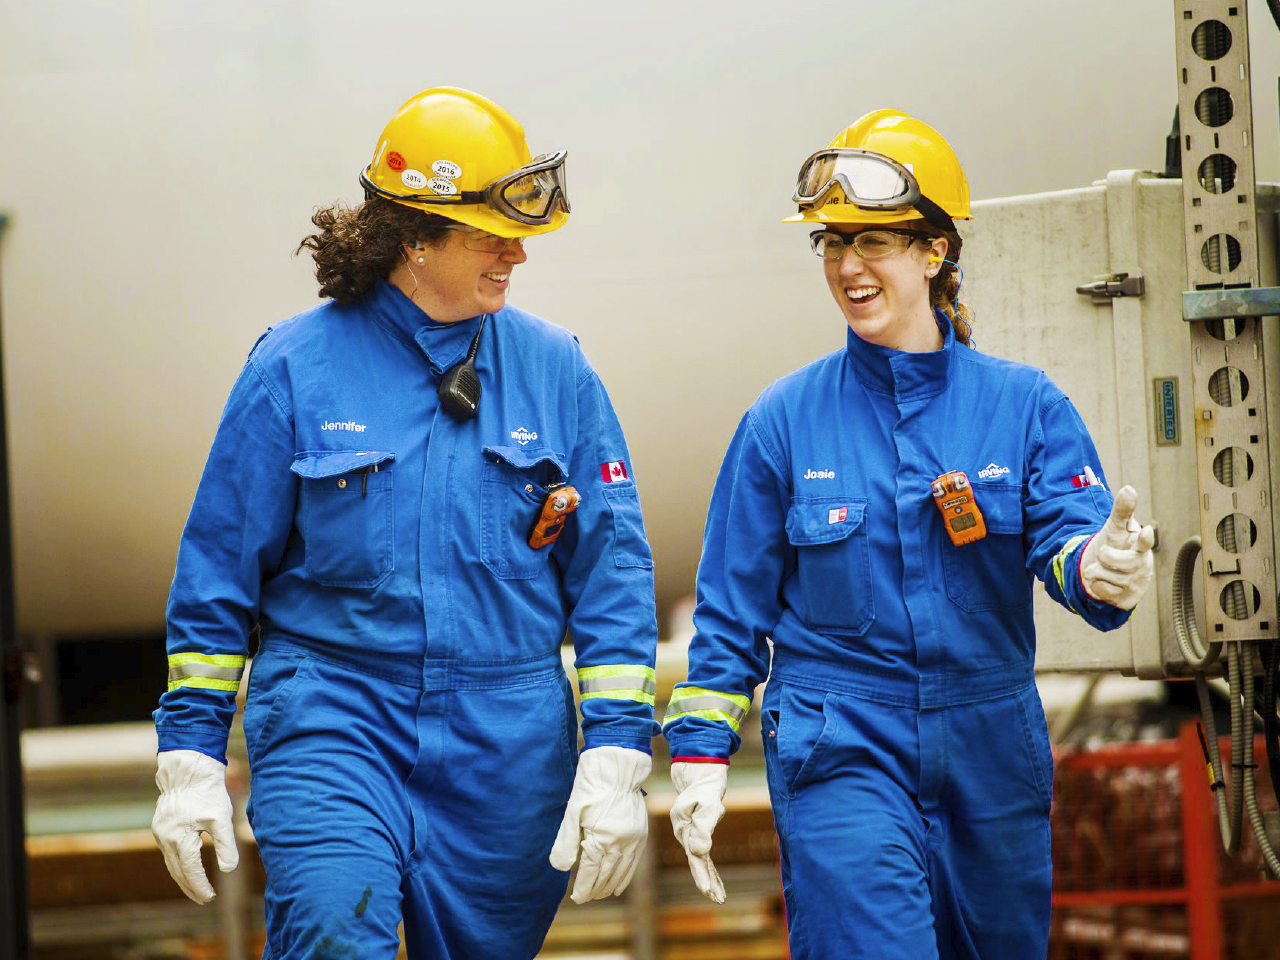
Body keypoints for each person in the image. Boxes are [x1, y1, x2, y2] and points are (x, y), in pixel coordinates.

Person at [150, 87, 660, 960]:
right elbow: (217, 570)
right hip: (335, 717)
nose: (519, 253)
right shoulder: (293, 368)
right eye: (490, 234)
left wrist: (617, 752)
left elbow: (611, 572)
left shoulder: (557, 371)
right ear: (415, 238)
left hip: (506, 749)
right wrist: (191, 749)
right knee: (332, 932)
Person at [661, 109, 1156, 959]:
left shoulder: (1024, 406)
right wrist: (701, 756)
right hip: (842, 745)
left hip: (991, 749)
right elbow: (730, 611)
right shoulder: (782, 422)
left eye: (874, 242)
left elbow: (1068, 543)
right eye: (831, 243)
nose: (847, 266)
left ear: (934, 252)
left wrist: (1098, 568)